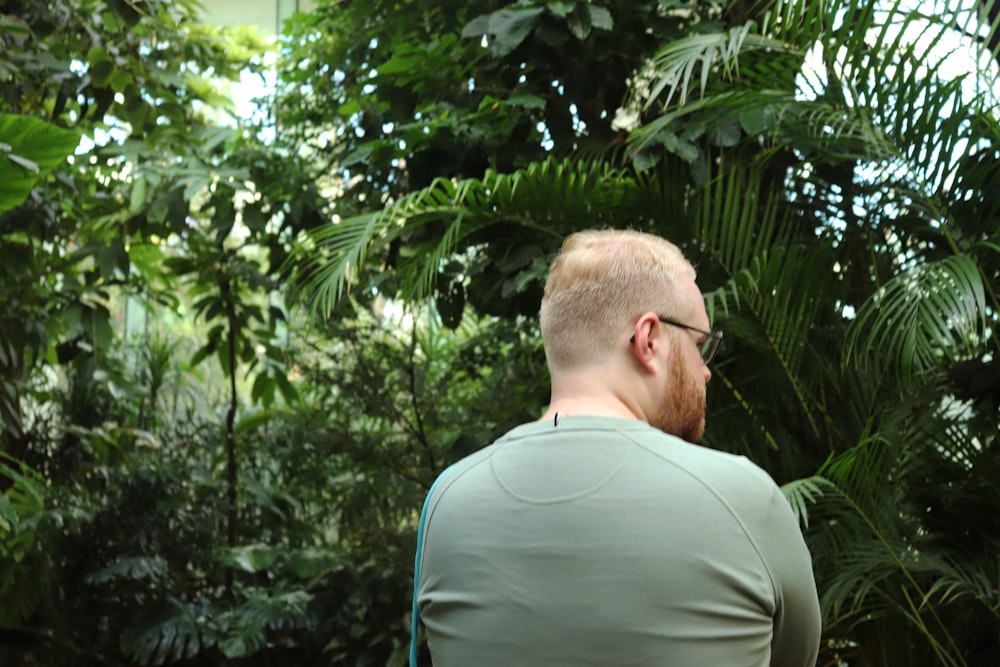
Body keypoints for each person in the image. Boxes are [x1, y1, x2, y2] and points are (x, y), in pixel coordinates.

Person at [410, 229, 822, 666]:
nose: (706, 371)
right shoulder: (744, 499)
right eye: (701, 345)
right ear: (648, 340)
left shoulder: (448, 502)